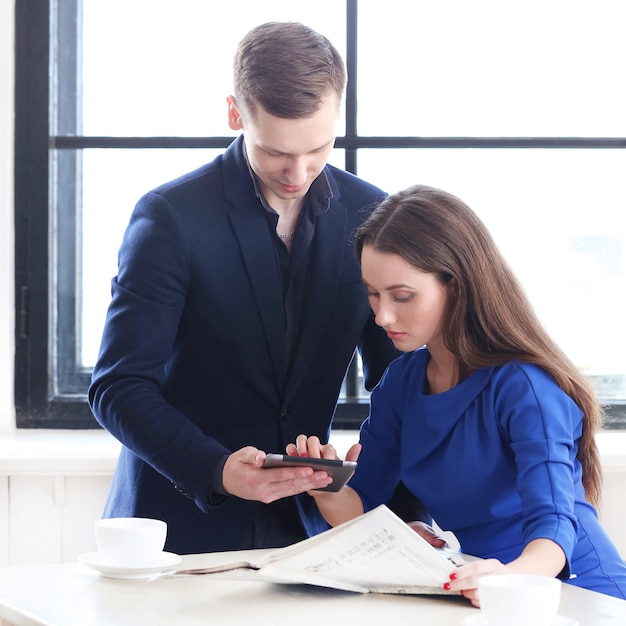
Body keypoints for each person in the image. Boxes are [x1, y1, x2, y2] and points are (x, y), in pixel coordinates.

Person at [88, 21, 435, 555]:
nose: (298, 172)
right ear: (235, 113)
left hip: (313, 532)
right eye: (276, 151)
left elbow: (405, 382)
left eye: (318, 147)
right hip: (176, 532)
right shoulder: (170, 218)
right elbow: (118, 386)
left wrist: (407, 515)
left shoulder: (372, 215)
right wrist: (218, 469)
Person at [290, 184, 626, 604]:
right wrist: (326, 487)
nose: (381, 315)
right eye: (373, 294)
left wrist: (504, 580)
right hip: (480, 590)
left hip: (577, 594)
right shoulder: (400, 384)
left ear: (456, 285)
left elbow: (555, 531)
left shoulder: (525, 387)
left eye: (402, 296)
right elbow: (363, 511)